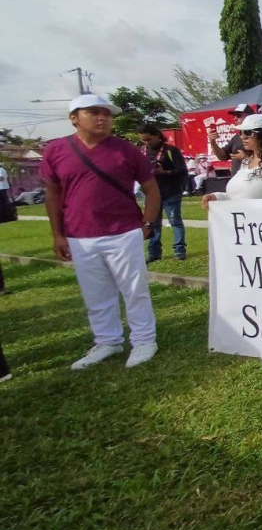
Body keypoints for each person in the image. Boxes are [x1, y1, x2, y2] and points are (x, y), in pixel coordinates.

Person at [41, 93, 160, 370]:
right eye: (93, 112)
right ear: (74, 118)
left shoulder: (126, 150)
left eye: (107, 113)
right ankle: (108, 340)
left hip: (123, 230)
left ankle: (144, 339)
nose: (102, 117)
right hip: (79, 234)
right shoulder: (55, 150)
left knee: (134, 289)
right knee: (95, 293)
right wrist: (57, 234)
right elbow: (53, 194)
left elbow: (151, 190)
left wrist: (147, 223)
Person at [138, 124, 187, 263]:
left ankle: (180, 251)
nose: (146, 143)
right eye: (143, 140)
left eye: (149, 139)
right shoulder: (141, 151)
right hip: (151, 194)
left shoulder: (171, 150)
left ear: (158, 136)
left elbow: (182, 170)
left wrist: (165, 172)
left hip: (171, 192)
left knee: (175, 222)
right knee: (153, 223)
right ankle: (154, 253)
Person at [207, 102, 254, 175]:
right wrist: (213, 142)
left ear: (250, 116)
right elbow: (222, 157)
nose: (235, 118)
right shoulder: (236, 137)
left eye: (238, 115)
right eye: (234, 116)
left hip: (253, 181)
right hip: (236, 181)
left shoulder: (259, 136)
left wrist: (246, 159)